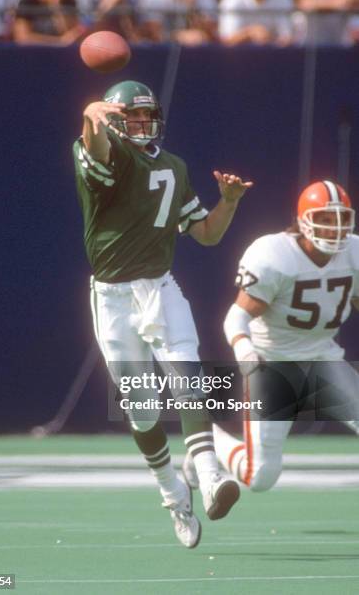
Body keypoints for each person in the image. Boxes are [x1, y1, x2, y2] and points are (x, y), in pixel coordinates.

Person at [72, 80, 253, 548]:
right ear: (115, 121)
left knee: (188, 372)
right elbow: (95, 145)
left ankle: (210, 475)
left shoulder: (173, 166)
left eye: (145, 115)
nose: (141, 123)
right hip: (112, 297)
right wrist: (93, 112)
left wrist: (228, 203)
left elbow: (207, 234)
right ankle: (173, 490)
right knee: (142, 408)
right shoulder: (104, 152)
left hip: (160, 285)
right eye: (130, 117)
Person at [183, 179, 359, 494]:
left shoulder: (354, 253)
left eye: (341, 219)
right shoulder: (276, 255)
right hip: (274, 364)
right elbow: (236, 316)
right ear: (303, 221)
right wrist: (244, 348)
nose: (334, 229)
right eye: (324, 219)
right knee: (260, 476)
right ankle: (207, 444)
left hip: (323, 359)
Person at [218, 0, 295, 46]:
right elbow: (226, 41)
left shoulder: (283, 0)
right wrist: (249, 33)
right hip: (237, 59)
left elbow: (288, 39)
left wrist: (268, 38)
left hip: (273, 59)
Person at [12, 0, 84, 45]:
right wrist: (58, 41)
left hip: (61, 51)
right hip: (34, 50)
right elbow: (22, 37)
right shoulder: (27, 1)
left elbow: (70, 33)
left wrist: (55, 6)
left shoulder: (68, 1)